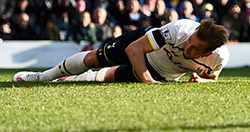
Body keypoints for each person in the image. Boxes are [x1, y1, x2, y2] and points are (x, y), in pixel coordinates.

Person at [13, 19, 229, 84]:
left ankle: (66, 80)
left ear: (208, 53)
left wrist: (202, 82)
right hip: (141, 44)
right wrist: (147, 80)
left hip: (162, 73)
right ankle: (44, 76)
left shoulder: (219, 58)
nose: (187, 47)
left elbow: (211, 78)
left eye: (195, 49)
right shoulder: (179, 30)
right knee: (96, 59)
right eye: (190, 41)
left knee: (110, 77)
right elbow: (134, 49)